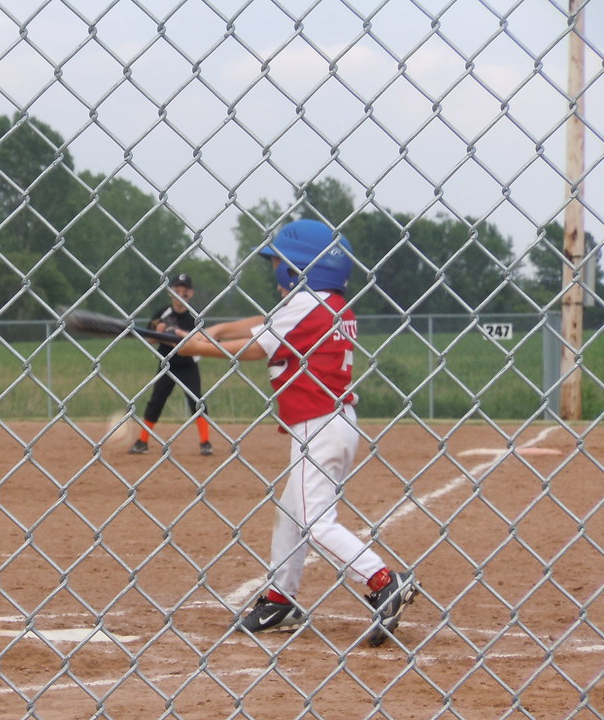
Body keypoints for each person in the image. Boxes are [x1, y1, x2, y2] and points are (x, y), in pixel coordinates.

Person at [176, 219, 419, 647]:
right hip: (331, 425)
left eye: (280, 265)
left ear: (300, 268)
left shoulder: (309, 307)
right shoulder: (329, 304)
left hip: (321, 429)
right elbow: (263, 323)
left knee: (314, 522)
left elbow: (252, 348)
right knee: (292, 514)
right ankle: (280, 599)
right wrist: (211, 331)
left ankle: (384, 580)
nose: (277, 274)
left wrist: (193, 346)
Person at [129, 273, 213, 456]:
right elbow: (149, 339)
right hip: (167, 364)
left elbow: (201, 341)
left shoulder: (194, 317)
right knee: (156, 401)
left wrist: (180, 335)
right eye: (176, 291)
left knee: (196, 400)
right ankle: (142, 441)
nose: (180, 296)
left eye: (184, 292)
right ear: (170, 292)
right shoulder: (162, 314)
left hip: (188, 364)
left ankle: (205, 442)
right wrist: (157, 332)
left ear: (190, 293)